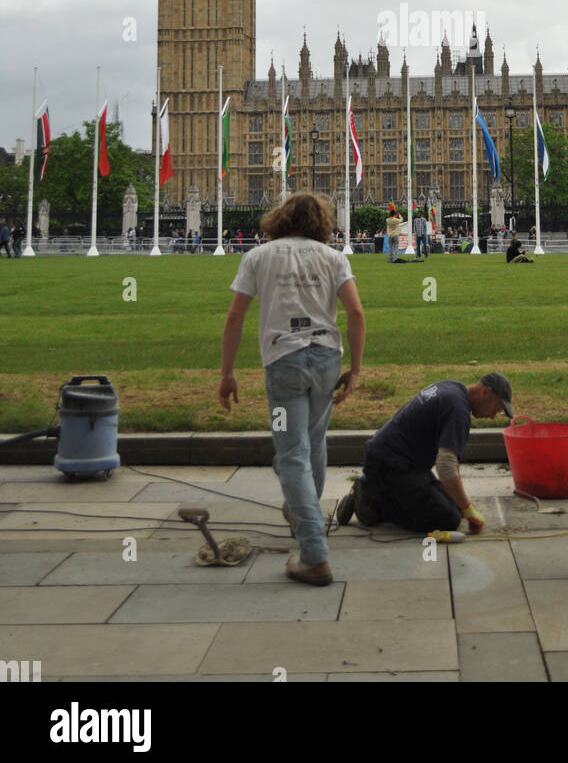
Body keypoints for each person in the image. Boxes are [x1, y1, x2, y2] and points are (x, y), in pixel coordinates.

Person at [219, 191, 366, 586]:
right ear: (322, 222)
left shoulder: (258, 257)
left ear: (280, 219)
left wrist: (227, 373)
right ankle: (300, 511)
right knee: (314, 442)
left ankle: (314, 553)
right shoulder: (333, 257)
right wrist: (354, 368)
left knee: (291, 454)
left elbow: (235, 317)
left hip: (284, 365)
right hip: (325, 361)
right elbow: (355, 312)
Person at [336, 373, 514, 534]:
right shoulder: (458, 411)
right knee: (448, 519)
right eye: (496, 409)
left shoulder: (452, 386)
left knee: (454, 507)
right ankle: (371, 500)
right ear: (486, 392)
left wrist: (463, 507)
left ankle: (378, 489)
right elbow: (446, 467)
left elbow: (448, 468)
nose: (492, 416)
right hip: (392, 465)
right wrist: (468, 509)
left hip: (393, 459)